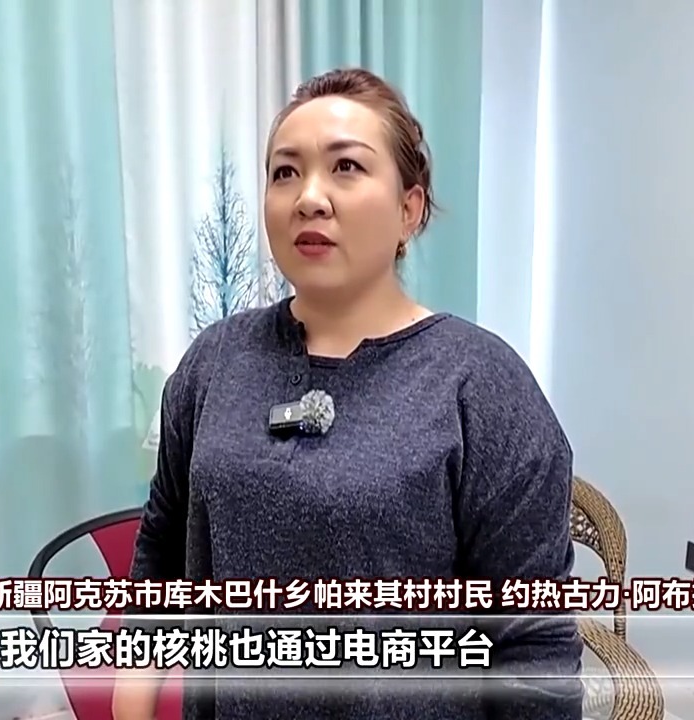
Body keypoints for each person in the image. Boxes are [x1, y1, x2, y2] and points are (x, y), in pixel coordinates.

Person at [113, 67, 583, 720]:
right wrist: (133, 689)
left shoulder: (482, 387)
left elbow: (533, 647)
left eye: (346, 167)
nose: (309, 197)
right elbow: (162, 549)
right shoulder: (214, 362)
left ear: (410, 209)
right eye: (285, 172)